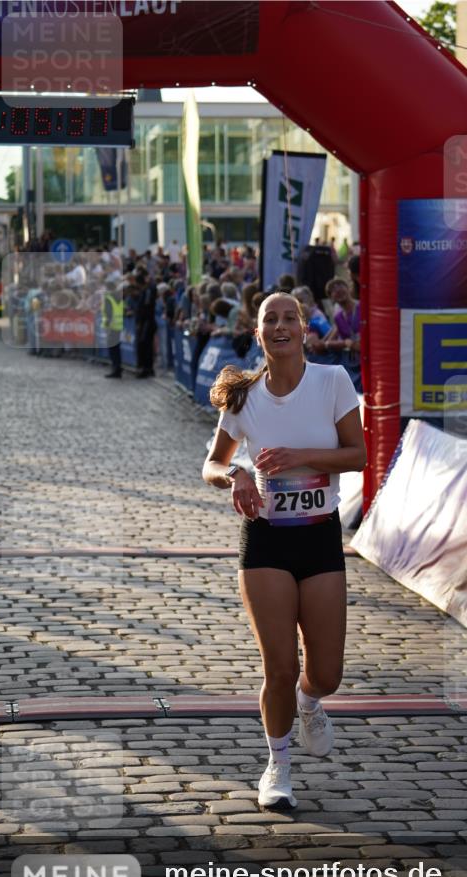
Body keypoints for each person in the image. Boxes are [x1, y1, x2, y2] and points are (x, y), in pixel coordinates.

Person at [202, 292, 366, 810]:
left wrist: (301, 456)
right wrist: (238, 473)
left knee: (327, 673)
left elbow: (359, 456)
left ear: (303, 329)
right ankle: (277, 765)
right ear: (257, 334)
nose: (280, 325)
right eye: (269, 319)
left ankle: (311, 704)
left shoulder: (332, 381)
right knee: (279, 666)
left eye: (288, 317)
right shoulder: (245, 396)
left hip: (320, 537)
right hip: (266, 539)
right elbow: (212, 464)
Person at [103, 280, 124, 378]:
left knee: (112, 349)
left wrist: (108, 325)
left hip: (112, 326)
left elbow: (108, 313)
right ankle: (117, 368)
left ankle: (115, 370)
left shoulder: (109, 298)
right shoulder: (120, 297)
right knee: (117, 349)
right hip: (119, 325)